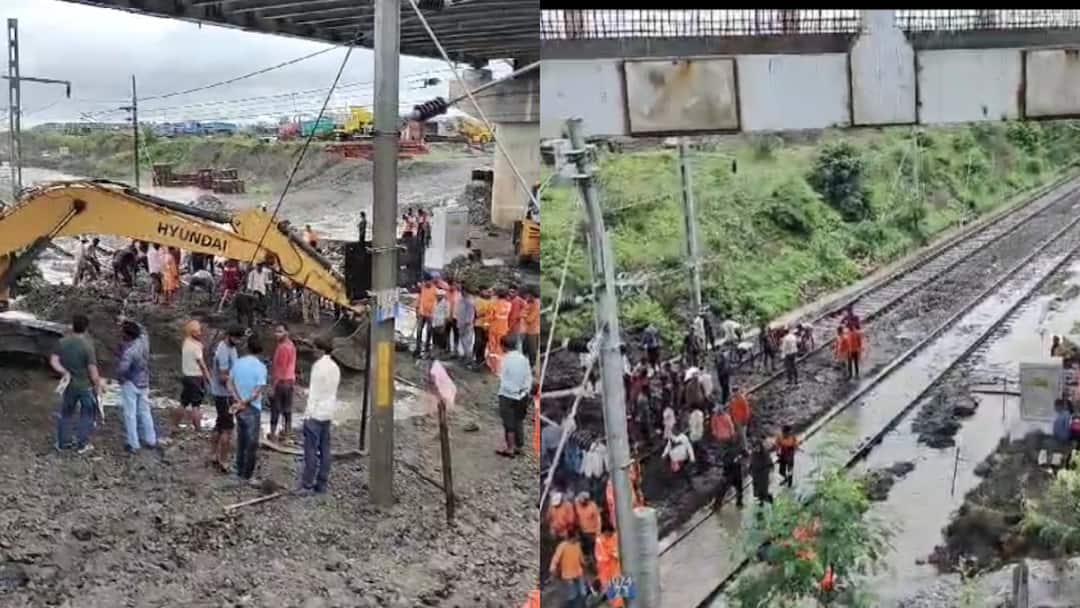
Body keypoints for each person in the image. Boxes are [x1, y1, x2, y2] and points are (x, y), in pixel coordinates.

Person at [50, 314, 103, 454]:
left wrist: (64, 372)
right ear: (86, 328)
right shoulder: (87, 346)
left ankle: (62, 443)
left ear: (73, 326)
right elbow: (93, 372)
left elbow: (54, 361)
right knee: (87, 414)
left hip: (69, 386)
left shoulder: (62, 342)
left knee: (66, 413)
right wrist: (98, 388)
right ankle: (82, 444)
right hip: (85, 386)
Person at [300, 336, 341, 494]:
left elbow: (314, 393)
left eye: (315, 348)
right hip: (328, 412)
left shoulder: (318, 366)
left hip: (316, 413)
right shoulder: (335, 367)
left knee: (310, 450)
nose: (313, 351)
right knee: (325, 450)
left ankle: (307, 483)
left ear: (321, 349)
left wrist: (307, 414)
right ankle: (322, 483)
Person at [229, 335, 268, 484]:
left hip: (239, 406)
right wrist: (245, 402)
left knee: (241, 439)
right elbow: (257, 390)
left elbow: (229, 383)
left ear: (247, 347)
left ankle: (239, 472)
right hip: (252, 407)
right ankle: (247, 475)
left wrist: (238, 401)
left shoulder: (238, 363)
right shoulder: (261, 367)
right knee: (252, 443)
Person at [116, 319, 157, 453]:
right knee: (145, 411)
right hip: (144, 381)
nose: (121, 335)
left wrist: (120, 378)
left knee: (130, 414)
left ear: (128, 336)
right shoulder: (144, 341)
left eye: (123, 333)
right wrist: (128, 321)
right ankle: (151, 440)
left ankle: (133, 444)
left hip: (131, 383)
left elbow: (122, 369)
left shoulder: (130, 352)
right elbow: (143, 328)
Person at [209, 326, 244, 473]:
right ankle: (223, 461)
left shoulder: (231, 348)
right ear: (229, 335)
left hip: (223, 393)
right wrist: (235, 391)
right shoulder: (223, 351)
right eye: (236, 338)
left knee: (219, 424)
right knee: (228, 429)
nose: (238, 341)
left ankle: (213, 455)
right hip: (224, 394)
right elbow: (223, 376)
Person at [496, 335, 531, 457]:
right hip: (522, 394)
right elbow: (528, 377)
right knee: (519, 420)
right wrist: (525, 391)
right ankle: (519, 446)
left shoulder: (504, 360)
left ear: (503, 347)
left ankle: (510, 448)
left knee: (508, 422)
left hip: (507, 394)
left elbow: (500, 375)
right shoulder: (524, 359)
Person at [179, 320, 211, 431]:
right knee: (196, 405)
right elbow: (202, 364)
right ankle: (198, 428)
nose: (200, 333)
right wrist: (208, 378)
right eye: (198, 331)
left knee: (183, 403)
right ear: (192, 332)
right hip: (196, 378)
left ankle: (174, 424)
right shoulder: (196, 347)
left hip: (186, 376)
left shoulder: (186, 342)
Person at [269, 323, 297, 443]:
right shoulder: (291, 345)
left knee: (276, 408)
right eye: (276, 331)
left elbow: (281, 368)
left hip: (281, 382)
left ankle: (273, 433)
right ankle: (287, 432)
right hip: (290, 381)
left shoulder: (282, 348)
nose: (277, 334)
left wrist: (273, 385)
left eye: (280, 331)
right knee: (287, 409)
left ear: (287, 332)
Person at [549, 530, 587, 608]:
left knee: (583, 593)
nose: (577, 538)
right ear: (571, 537)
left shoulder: (577, 545)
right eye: (576, 537)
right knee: (573, 595)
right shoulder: (562, 546)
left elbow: (580, 557)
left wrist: (584, 563)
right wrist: (553, 569)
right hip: (568, 575)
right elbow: (556, 558)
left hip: (578, 573)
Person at [594, 523, 623, 607]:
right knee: (610, 588)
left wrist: (616, 554)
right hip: (605, 569)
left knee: (619, 585)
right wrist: (612, 554)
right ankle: (615, 605)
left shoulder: (615, 536)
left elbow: (618, 548)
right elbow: (601, 557)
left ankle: (620, 604)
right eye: (609, 533)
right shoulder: (599, 541)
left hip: (615, 566)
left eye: (612, 533)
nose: (611, 535)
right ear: (605, 532)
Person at [487, 289, 513, 373]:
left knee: (493, 348)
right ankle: (501, 369)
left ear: (497, 295)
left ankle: (494, 368)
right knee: (501, 348)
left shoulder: (493, 304)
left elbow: (491, 317)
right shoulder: (509, 304)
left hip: (494, 328)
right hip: (504, 328)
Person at [714, 444, 744, 509]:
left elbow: (726, 465)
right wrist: (738, 458)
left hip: (729, 475)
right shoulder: (737, 449)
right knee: (739, 489)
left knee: (722, 490)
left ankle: (717, 504)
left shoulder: (727, 454)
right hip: (737, 474)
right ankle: (739, 503)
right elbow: (744, 454)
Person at [574, 492, 601, 561]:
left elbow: (598, 520)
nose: (581, 503)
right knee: (583, 548)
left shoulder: (593, 506)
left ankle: (594, 561)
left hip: (592, 532)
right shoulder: (577, 505)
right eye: (580, 501)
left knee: (592, 549)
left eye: (583, 501)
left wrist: (598, 532)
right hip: (581, 531)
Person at [415, 278, 437, 356]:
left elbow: (435, 302)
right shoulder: (422, 288)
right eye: (426, 281)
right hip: (421, 313)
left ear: (431, 281)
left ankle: (427, 348)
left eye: (428, 281)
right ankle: (418, 348)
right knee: (419, 331)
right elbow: (419, 299)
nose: (427, 282)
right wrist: (416, 309)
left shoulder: (434, 289)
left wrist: (433, 313)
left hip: (430, 314)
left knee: (429, 332)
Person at [749, 440, 774, 505]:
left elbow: (770, 464)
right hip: (755, 476)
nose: (756, 449)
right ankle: (760, 506)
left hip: (764, 476)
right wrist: (750, 472)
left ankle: (769, 501)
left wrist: (770, 475)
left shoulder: (765, 454)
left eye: (757, 447)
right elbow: (751, 465)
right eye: (754, 448)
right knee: (757, 494)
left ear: (760, 447)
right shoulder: (753, 454)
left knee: (764, 493)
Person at [455, 286, 476, 362]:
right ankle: (465, 355)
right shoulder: (461, 300)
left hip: (467, 324)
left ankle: (468, 357)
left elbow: (470, 315)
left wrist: (467, 323)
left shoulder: (470, 301)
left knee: (467, 341)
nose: (462, 293)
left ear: (467, 292)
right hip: (460, 322)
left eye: (464, 291)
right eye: (461, 291)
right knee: (462, 340)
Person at [473, 288, 492, 365]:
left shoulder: (491, 301)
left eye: (487, 291)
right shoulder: (478, 300)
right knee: (478, 341)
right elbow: (479, 313)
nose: (486, 293)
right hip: (479, 324)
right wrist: (488, 311)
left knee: (484, 342)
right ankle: (476, 357)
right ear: (480, 291)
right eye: (484, 291)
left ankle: (482, 358)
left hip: (487, 325)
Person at [523, 287, 541, 364]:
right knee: (527, 348)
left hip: (533, 331)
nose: (526, 297)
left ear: (531, 295)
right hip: (530, 330)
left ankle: (532, 365)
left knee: (532, 349)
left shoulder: (536, 303)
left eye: (527, 295)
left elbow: (530, 319)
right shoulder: (532, 302)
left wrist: (524, 315)